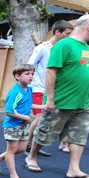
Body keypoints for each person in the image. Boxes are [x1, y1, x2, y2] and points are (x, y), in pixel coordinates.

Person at [25, 15, 89, 178]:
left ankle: (74, 169)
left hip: (83, 102)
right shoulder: (64, 44)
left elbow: (87, 70)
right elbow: (50, 71)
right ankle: (31, 157)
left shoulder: (85, 47)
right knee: (45, 131)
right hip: (62, 100)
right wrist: (50, 99)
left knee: (79, 136)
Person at [26, 20, 73, 155]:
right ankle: (28, 144)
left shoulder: (61, 49)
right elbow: (30, 66)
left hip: (51, 90)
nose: (69, 37)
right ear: (57, 32)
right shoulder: (42, 48)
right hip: (39, 88)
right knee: (41, 117)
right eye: (67, 34)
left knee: (45, 118)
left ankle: (33, 144)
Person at [0, 64, 37, 178]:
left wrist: (43, 107)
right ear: (17, 76)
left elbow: (28, 105)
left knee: (21, 149)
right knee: (12, 150)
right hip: (13, 125)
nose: (30, 76)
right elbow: (9, 111)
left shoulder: (29, 89)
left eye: (32, 74)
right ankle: (13, 176)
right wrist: (25, 117)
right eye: (27, 74)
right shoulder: (15, 92)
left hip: (23, 125)